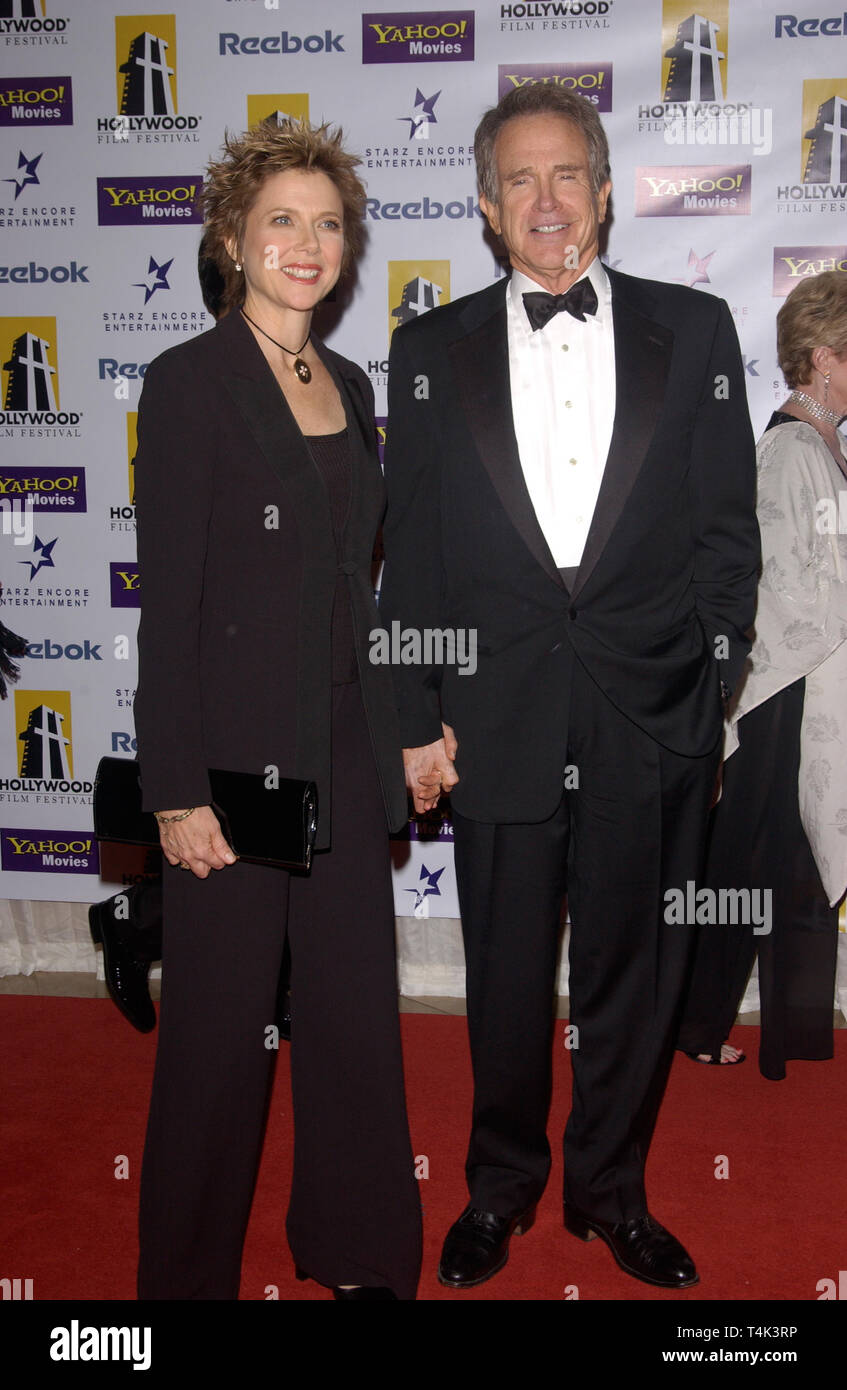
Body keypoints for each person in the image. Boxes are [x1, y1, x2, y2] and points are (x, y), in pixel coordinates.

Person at [379, 83, 759, 1291]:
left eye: (567, 176)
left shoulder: (691, 333)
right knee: (499, 975)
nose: (546, 203)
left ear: (601, 190)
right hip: (492, 717)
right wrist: (413, 715)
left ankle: (612, 1189)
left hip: (651, 716)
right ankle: (499, 1189)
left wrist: (706, 699)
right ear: (488, 210)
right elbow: (416, 557)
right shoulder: (426, 350)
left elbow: (725, 543)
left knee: (630, 970)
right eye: (518, 182)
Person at [132, 119, 421, 1300]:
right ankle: (183, 1280)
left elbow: (364, 586)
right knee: (217, 1038)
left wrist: (405, 726)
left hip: (345, 749)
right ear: (234, 243)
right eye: (282, 222)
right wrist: (174, 790)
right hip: (235, 765)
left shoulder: (349, 383)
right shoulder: (189, 383)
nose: (308, 244)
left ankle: (356, 1250)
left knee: (355, 1018)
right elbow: (170, 607)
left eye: (328, 223)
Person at [89, 230, 291, 1043]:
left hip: (294, 681)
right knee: (231, 851)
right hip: (220, 684)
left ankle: (144, 923)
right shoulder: (190, 383)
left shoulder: (321, 385)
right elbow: (172, 595)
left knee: (267, 848)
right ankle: (138, 923)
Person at [678, 271, 847, 1078]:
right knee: (744, 862)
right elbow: (784, 586)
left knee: (776, 863)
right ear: (824, 358)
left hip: (797, 689)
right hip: (777, 692)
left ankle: (745, 1027)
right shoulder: (791, 448)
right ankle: (696, 1021)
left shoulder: (820, 444)